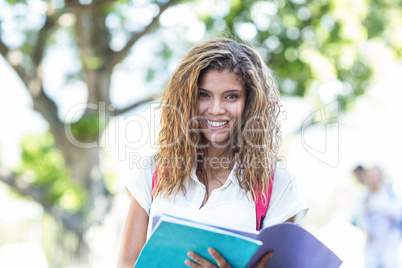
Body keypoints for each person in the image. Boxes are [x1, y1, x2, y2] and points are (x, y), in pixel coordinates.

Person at [117, 38, 308, 268]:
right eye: (204, 95)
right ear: (187, 99)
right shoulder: (155, 170)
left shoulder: (276, 183)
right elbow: (127, 263)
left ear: (250, 103)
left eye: (231, 96)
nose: (216, 109)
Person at [353, 165, 401, 268]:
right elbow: (360, 220)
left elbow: (397, 215)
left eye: (375, 175)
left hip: (389, 246)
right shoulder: (365, 198)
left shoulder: (390, 194)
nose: (373, 178)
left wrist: (377, 207)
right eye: (371, 176)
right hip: (372, 247)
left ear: (380, 175)